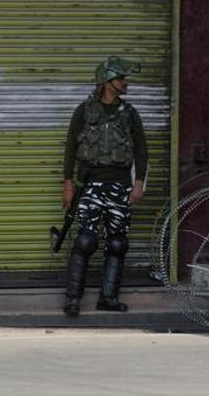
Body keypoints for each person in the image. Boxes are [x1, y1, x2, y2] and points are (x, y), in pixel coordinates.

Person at [62, 56, 148, 316]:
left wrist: (139, 184)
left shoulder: (130, 114)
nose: (124, 83)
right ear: (108, 82)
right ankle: (73, 299)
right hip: (90, 184)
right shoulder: (85, 111)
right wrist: (67, 183)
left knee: (118, 243)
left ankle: (108, 297)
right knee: (86, 240)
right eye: (120, 79)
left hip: (120, 184)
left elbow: (142, 150)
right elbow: (70, 148)